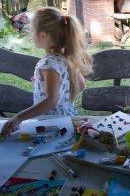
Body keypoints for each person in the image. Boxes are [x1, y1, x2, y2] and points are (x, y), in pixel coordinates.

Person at [0, 7, 93, 138]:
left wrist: (18, 117)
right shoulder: (67, 57)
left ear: (43, 35)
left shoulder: (48, 64)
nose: (31, 35)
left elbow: (51, 101)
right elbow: (81, 85)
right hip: (68, 118)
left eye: (32, 31)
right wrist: (52, 89)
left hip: (52, 124)